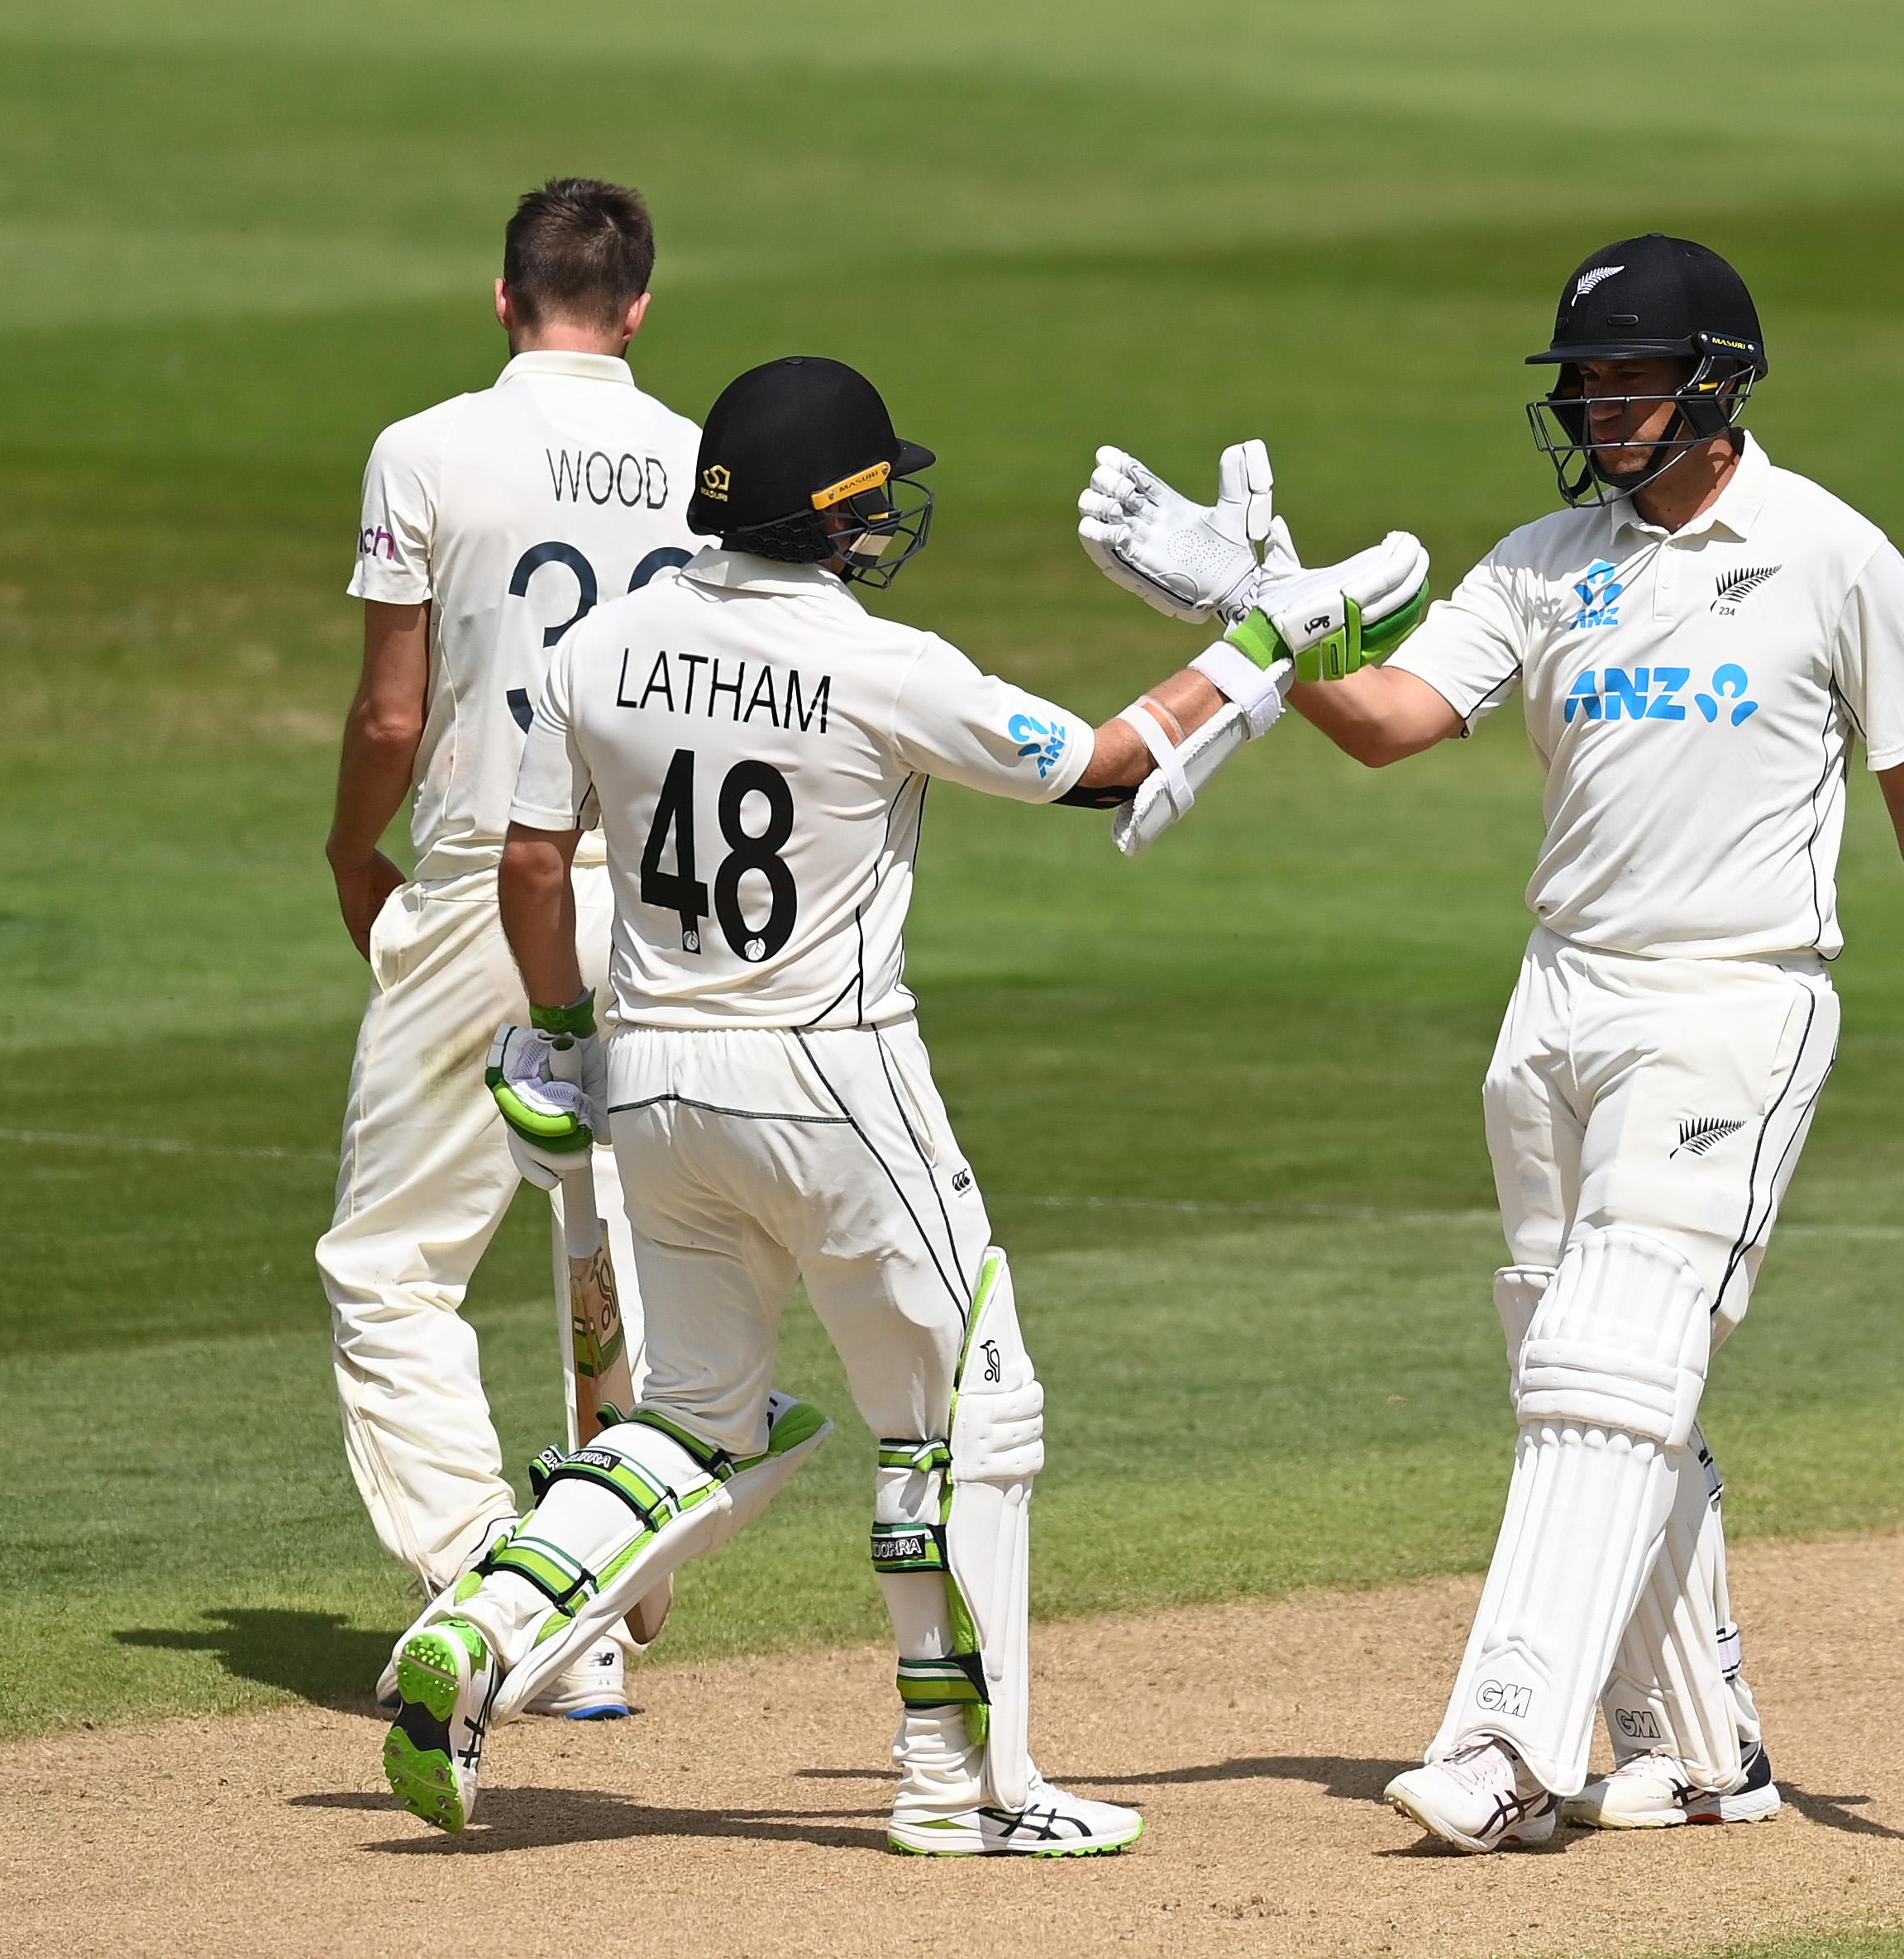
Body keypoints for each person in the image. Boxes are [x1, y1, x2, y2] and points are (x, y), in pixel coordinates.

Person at [1074, 235, 1904, 1852]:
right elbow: (1387, 720)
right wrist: (1262, 614)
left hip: (1732, 1001)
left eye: (1630, 379)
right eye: (1583, 384)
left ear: (1713, 384)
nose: (1601, 408)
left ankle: (1505, 1743)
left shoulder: (1829, 555)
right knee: (1571, 1352)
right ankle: (1695, 1746)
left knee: (1608, 1363)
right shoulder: (1542, 561)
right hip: (1557, 1001)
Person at [379, 355, 1425, 1853]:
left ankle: (482, 1624)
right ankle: (963, 1785)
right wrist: (1269, 628)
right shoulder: (885, 660)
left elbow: (535, 864)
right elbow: (1110, 767)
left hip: (656, 1078)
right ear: (836, 517)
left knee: (687, 1422)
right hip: (833, 1077)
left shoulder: (599, 649)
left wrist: (554, 1037)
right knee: (962, 1418)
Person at [322, 178, 699, 1718]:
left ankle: (508, 1589)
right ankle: (595, 1609)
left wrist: (354, 849)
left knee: (389, 1263)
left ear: (501, 297)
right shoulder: (704, 459)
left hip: (496, 872)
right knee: (604, 1248)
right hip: (675, 892)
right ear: (636, 312)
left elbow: (393, 715)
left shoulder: (426, 449)